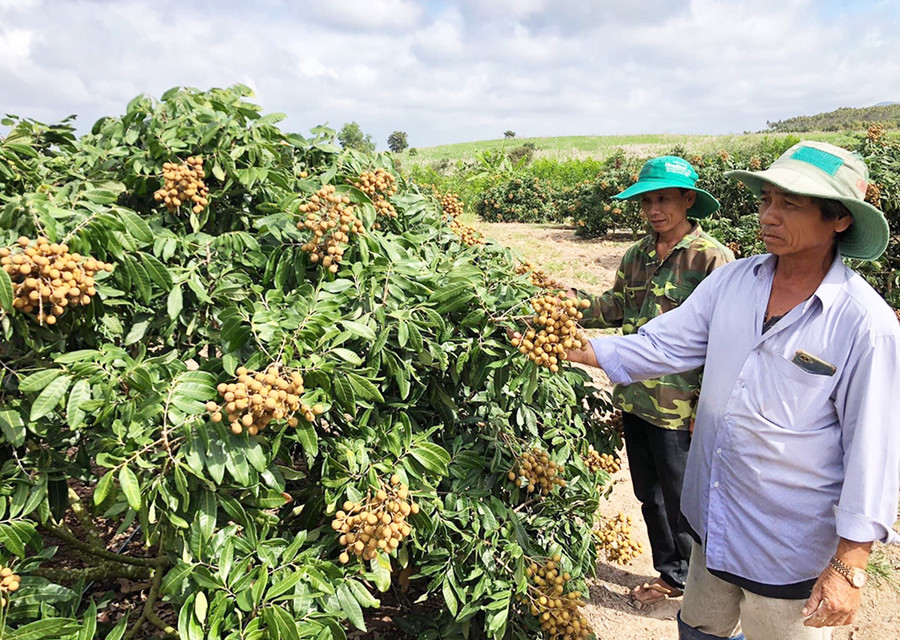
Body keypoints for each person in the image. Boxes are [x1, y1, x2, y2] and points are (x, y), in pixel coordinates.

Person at [566, 141, 900, 640]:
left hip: (787, 544)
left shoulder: (863, 324)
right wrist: (579, 348)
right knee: (700, 628)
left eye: (790, 203)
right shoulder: (735, 283)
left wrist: (850, 563)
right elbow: (664, 344)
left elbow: (873, 447)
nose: (768, 214)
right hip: (713, 521)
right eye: (766, 200)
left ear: (840, 220)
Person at [576, 156, 733, 605]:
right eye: (647, 200)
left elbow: (727, 339)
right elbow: (615, 306)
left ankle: (697, 586)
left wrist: (705, 403)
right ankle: (672, 573)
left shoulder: (712, 258)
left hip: (680, 404)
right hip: (636, 396)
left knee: (685, 497)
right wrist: (571, 304)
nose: (653, 208)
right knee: (650, 495)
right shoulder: (637, 254)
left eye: (663, 198)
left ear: (688, 200)